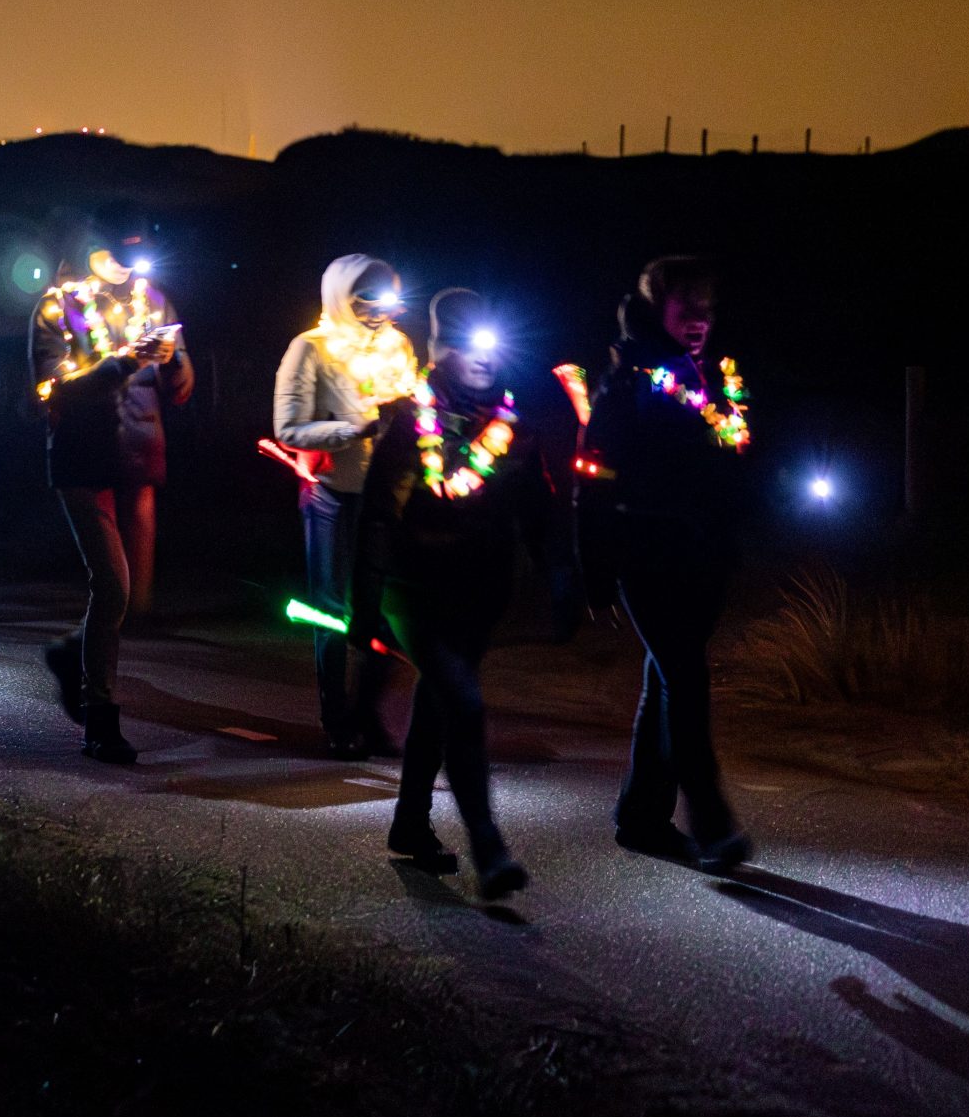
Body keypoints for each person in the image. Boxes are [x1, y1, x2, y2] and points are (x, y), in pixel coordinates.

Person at [357, 289, 567, 900]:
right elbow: (376, 515)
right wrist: (365, 612)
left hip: (479, 591)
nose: (479, 356)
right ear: (441, 348)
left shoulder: (513, 425)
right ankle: (488, 844)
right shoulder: (409, 416)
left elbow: (539, 507)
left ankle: (409, 823)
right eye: (462, 343)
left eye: (489, 344)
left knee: (439, 703)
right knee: (464, 703)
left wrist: (560, 574)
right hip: (414, 589)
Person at [576, 256, 756, 874]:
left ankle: (641, 818)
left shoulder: (712, 376)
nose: (701, 320)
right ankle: (710, 823)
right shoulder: (629, 381)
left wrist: (732, 533)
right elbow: (593, 477)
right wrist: (593, 564)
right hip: (645, 552)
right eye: (687, 308)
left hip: (700, 554)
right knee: (685, 679)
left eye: (707, 308)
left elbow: (727, 467)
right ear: (660, 310)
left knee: (665, 681)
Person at [29, 240, 193, 764]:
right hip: (82, 461)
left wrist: (171, 363)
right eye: (118, 250)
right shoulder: (59, 305)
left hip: (139, 460)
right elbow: (53, 389)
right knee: (113, 586)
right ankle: (100, 723)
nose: (127, 264)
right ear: (91, 246)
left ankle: (68, 654)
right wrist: (123, 361)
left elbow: (182, 380)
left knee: (130, 600)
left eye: (137, 251)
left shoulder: (151, 297)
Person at [271, 255, 419, 758]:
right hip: (331, 494)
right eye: (366, 301)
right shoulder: (309, 349)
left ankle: (366, 714)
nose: (379, 311)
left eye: (388, 300)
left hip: (385, 497)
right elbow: (287, 429)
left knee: (376, 612)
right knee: (329, 611)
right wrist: (355, 429)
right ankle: (337, 719)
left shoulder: (397, 346)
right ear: (341, 297)